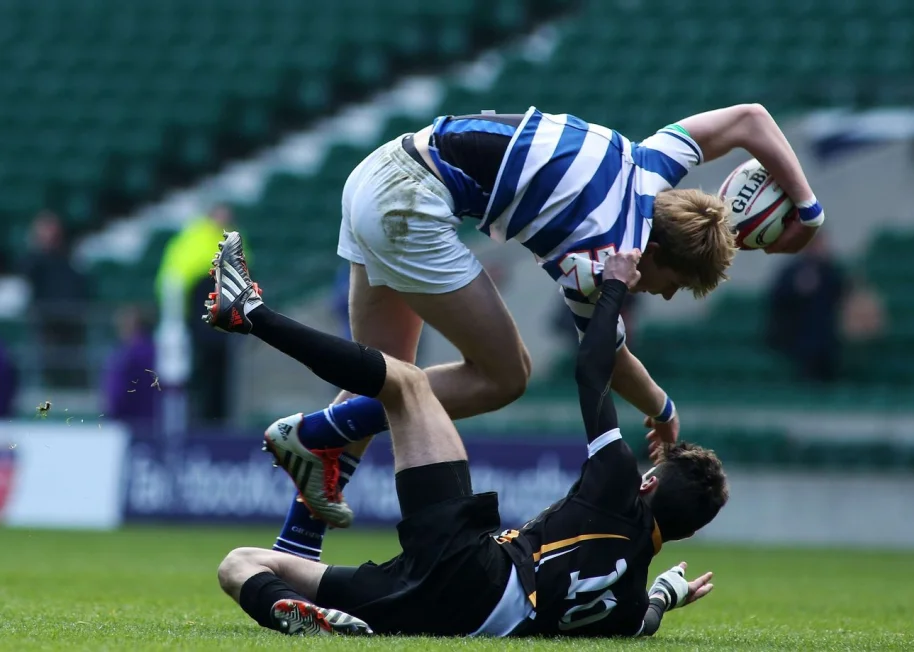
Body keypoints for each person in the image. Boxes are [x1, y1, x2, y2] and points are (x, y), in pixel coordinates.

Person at [233, 104, 820, 547]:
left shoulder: (649, 161)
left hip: (380, 169)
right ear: (660, 253)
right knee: (506, 375)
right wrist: (662, 409)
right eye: (671, 283)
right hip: (409, 203)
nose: (661, 294)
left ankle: (295, 548)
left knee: (381, 380)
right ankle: (316, 431)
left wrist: (808, 209)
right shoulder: (602, 256)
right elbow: (609, 360)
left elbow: (749, 118)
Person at [209, 233, 728, 637]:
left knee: (408, 383)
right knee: (241, 565)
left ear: (648, 484)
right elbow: (648, 620)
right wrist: (666, 594)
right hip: (430, 609)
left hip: (470, 568)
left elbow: (592, 369)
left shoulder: (619, 487)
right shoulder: (630, 608)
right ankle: (295, 611)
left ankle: (253, 317)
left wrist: (613, 285)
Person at [155, 204, 239, 424]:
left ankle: (216, 417)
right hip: (200, 311)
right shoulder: (194, 237)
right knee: (198, 368)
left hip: (223, 312)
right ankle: (198, 417)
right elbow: (176, 278)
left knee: (220, 370)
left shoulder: (232, 237)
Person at [21, 210, 90, 388]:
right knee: (46, 377)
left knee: (72, 373)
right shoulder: (32, 261)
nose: (51, 236)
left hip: (71, 326)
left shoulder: (71, 259)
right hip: (45, 327)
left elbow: (78, 288)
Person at [766, 234, 847, 383]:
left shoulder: (831, 271)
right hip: (798, 338)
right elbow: (777, 300)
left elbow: (842, 293)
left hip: (827, 339)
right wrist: (797, 287)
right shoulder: (791, 272)